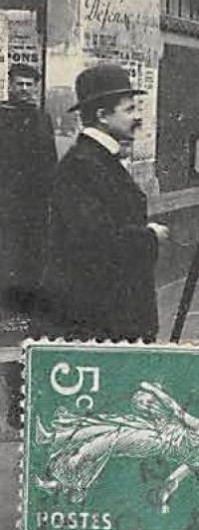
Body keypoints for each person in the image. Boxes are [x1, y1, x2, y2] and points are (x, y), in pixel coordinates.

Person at [37, 63, 169, 342]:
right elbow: (95, 240)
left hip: (109, 311)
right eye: (130, 110)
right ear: (102, 116)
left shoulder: (98, 160)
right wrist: (150, 236)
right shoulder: (82, 165)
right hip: (96, 317)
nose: (138, 118)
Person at [1, 64, 58, 319]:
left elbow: (50, 160)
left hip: (35, 205)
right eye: (20, 84)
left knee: (32, 255)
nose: (24, 89)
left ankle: (26, 312)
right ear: (10, 85)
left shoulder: (42, 118)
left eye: (29, 85)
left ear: (36, 88)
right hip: (5, 204)